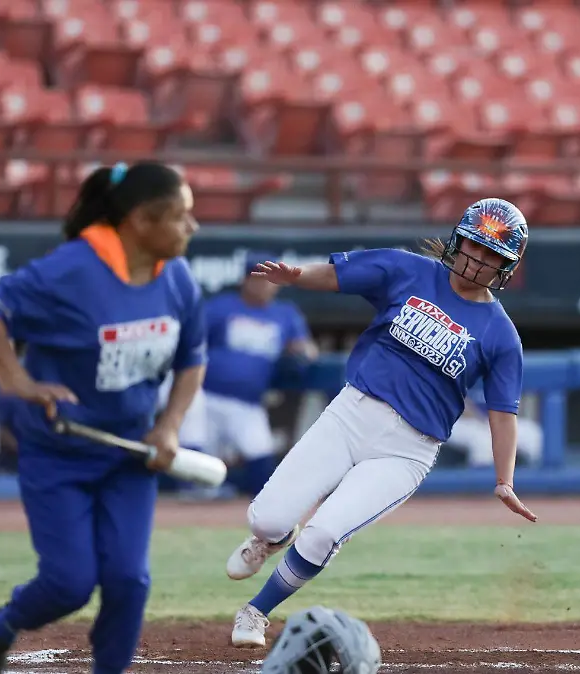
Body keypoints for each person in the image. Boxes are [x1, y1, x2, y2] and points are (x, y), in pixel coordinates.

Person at [225, 197, 538, 649]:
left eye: (493, 255)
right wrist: (297, 276)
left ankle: (256, 611)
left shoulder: (500, 334)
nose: (478, 260)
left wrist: (504, 479)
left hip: (407, 449)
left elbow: (503, 411)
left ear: (507, 268)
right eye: (474, 244)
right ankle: (269, 538)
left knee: (324, 534)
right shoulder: (408, 270)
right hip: (352, 414)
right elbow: (338, 275)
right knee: (267, 517)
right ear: (458, 239)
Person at [0, 161, 205, 674]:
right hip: (59, 451)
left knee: (128, 581)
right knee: (68, 584)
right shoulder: (69, 270)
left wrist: (170, 425)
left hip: (131, 454)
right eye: (182, 216)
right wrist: (14, 378)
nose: (193, 227)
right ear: (141, 220)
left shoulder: (178, 277)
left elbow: (192, 360)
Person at [199, 254, 318, 497]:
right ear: (246, 280)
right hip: (206, 397)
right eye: (260, 279)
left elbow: (308, 349)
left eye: (271, 280)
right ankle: (187, 512)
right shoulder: (221, 307)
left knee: (262, 464)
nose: (266, 286)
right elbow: (192, 343)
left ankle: (241, 517)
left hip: (248, 403)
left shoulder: (284, 314)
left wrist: (302, 350)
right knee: (199, 466)